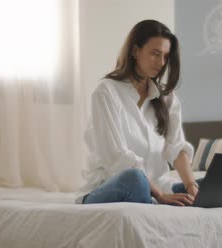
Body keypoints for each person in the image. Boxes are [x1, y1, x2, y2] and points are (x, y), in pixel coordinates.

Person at [77, 20, 202, 206]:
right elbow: (117, 158)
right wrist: (159, 195)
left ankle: (160, 198)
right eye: (155, 53)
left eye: (166, 56)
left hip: (157, 187)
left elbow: (176, 149)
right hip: (115, 186)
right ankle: (154, 200)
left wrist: (191, 186)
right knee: (134, 179)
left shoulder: (167, 98)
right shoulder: (106, 92)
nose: (161, 63)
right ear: (135, 51)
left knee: (211, 184)